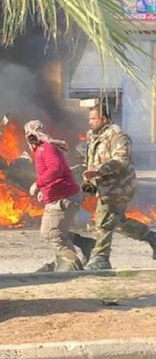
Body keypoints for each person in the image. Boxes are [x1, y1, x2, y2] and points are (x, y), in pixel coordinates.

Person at [81, 104, 156, 270]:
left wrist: (99, 170)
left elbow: (121, 161)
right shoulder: (93, 136)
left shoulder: (118, 137)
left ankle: (101, 259)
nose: (90, 122)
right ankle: (151, 237)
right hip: (104, 187)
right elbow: (91, 160)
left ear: (104, 119)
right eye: (89, 119)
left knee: (104, 221)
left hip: (119, 187)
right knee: (118, 223)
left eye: (93, 118)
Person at [25, 120, 95, 271]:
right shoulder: (45, 148)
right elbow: (58, 173)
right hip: (63, 195)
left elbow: (55, 169)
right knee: (47, 232)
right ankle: (84, 243)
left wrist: (38, 184)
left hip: (64, 198)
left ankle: (72, 268)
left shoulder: (46, 149)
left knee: (55, 235)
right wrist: (44, 191)